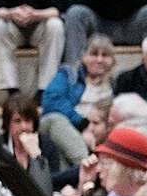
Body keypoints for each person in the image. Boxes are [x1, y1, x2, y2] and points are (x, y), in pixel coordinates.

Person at [41, 33, 118, 167]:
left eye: (105, 55)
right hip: (68, 126)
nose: (99, 60)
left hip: (100, 131)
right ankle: (87, 165)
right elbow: (52, 101)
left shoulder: (118, 84)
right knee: (55, 119)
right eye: (94, 54)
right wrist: (83, 125)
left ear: (112, 60)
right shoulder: (69, 75)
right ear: (84, 57)